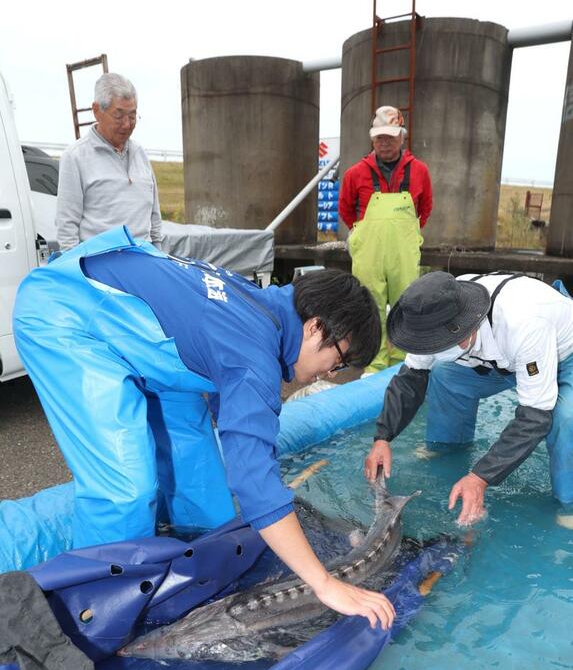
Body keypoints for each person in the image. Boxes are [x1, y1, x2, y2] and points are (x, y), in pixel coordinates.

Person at [14, 226, 395, 630]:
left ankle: (194, 569)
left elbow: (231, 399)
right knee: (127, 488)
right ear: (316, 327)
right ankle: (91, 615)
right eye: (338, 363)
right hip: (67, 315)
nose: (331, 374)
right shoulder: (254, 355)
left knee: (201, 477)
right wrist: (323, 582)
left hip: (136, 327)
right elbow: (253, 479)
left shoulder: (265, 308)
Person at [364, 270, 573, 525]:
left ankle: (568, 502)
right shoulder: (433, 311)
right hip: (500, 360)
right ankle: (448, 447)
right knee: (445, 374)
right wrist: (383, 437)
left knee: (565, 417)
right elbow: (411, 377)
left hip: (563, 354)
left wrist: (480, 477)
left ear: (465, 330)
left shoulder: (525, 321)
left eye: (439, 344)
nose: (432, 349)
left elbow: (536, 416)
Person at [338, 105, 433, 372]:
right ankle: (375, 362)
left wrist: (408, 232)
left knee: (406, 303)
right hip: (368, 251)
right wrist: (361, 234)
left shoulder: (420, 171)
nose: (385, 142)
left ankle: (403, 360)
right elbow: (346, 209)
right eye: (379, 137)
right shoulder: (355, 173)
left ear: (402, 136)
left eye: (390, 136)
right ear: (372, 138)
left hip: (403, 251)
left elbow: (425, 208)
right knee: (371, 305)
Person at [56, 73, 163, 251]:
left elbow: (154, 216)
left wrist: (159, 254)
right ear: (97, 111)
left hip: (145, 259)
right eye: (119, 115)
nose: (127, 124)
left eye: (132, 116)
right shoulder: (75, 157)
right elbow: (67, 227)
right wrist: (77, 271)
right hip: (100, 264)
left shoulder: (140, 154)